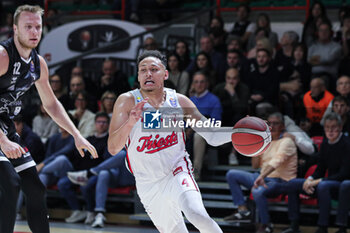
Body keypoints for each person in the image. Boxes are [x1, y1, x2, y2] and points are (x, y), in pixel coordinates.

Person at [108, 50, 234, 233]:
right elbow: (113, 148)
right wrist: (131, 123)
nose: (148, 74)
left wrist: (239, 131)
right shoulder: (127, 101)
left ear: (165, 74)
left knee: (198, 216)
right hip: (148, 183)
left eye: (154, 69)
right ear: (138, 75)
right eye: (143, 70)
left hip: (177, 171)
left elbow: (212, 135)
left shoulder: (179, 102)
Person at [0, 5, 97, 233]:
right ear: (15, 29)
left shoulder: (38, 63)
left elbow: (51, 104)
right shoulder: (3, 56)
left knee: (36, 189)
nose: (34, 32)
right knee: (10, 185)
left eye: (38, 27)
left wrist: (77, 135)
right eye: (28, 27)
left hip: (7, 126)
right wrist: (2, 141)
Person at [224, 112, 297, 233]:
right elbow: (255, 165)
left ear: (282, 126)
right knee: (231, 174)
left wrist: (261, 177)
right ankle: (243, 211)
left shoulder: (287, 141)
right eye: (270, 124)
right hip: (261, 177)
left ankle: (266, 224)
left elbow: (276, 162)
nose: (272, 126)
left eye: (276, 123)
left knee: (257, 191)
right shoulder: (265, 141)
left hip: (280, 181)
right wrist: (255, 139)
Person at [282, 112, 350, 233]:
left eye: (333, 127)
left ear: (340, 128)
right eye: (327, 127)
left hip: (342, 183)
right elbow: (320, 169)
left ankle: (322, 227)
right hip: (329, 182)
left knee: (323, 185)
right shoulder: (325, 143)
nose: (330, 131)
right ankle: (294, 225)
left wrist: (317, 181)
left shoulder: (346, 144)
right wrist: (309, 180)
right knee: (292, 184)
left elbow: (344, 174)